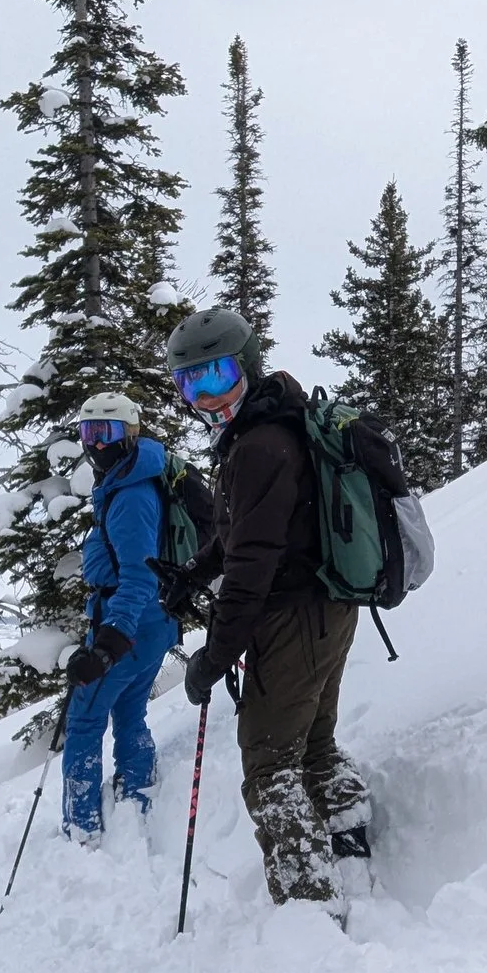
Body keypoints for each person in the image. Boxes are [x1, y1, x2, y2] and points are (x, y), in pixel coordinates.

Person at [165, 308, 369, 906]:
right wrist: (193, 571)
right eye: (190, 383)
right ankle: (350, 837)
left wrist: (214, 656)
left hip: (291, 622)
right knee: (314, 743)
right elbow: (242, 534)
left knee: (270, 768)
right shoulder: (277, 422)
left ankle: (311, 907)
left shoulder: (258, 445)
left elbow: (251, 570)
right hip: (329, 608)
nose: (207, 396)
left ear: (248, 367)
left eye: (218, 375)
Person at [59, 391, 184, 842]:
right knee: (130, 710)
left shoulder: (131, 494)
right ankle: (137, 793)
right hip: (149, 622)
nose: (95, 445)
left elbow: (138, 574)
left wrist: (111, 640)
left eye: (105, 433)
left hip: (131, 623)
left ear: (129, 435)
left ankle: (82, 825)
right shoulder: (129, 479)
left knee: (85, 719)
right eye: (87, 433)